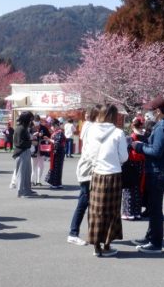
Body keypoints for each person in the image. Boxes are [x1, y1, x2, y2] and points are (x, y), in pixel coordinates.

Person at [131, 97, 164, 254]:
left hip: (157, 172)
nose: (147, 114)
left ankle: (155, 243)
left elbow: (156, 151)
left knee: (155, 209)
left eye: (150, 111)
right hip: (160, 172)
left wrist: (138, 147)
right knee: (153, 207)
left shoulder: (161, 127)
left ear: (157, 111)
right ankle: (150, 237)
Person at [87, 104, 128, 257]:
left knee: (96, 211)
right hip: (113, 175)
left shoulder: (91, 130)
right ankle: (107, 245)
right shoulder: (118, 133)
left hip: (97, 174)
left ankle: (96, 246)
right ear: (113, 116)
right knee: (112, 211)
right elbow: (124, 157)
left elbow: (88, 153)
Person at [67, 105, 101, 246]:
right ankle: (73, 233)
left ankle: (86, 233)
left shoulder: (88, 126)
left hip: (86, 168)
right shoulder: (92, 128)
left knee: (87, 202)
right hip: (88, 169)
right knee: (84, 202)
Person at [121, 116, 145, 220]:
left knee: (128, 188)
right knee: (138, 188)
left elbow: (125, 151)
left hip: (130, 163)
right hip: (141, 164)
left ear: (132, 125)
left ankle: (128, 212)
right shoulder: (144, 137)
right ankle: (137, 212)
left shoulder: (130, 138)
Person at [13, 111, 40, 198]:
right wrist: (31, 142)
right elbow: (19, 143)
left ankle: (27, 189)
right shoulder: (20, 129)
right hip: (21, 152)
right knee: (21, 173)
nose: (31, 121)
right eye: (30, 119)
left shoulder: (23, 128)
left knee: (27, 172)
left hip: (25, 151)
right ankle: (20, 191)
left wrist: (30, 142)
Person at [45, 119, 66, 189]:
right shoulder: (58, 132)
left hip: (58, 152)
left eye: (52, 126)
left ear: (56, 125)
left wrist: (49, 140)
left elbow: (57, 142)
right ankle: (58, 183)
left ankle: (55, 183)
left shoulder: (59, 132)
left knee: (56, 168)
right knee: (57, 168)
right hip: (57, 152)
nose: (51, 127)